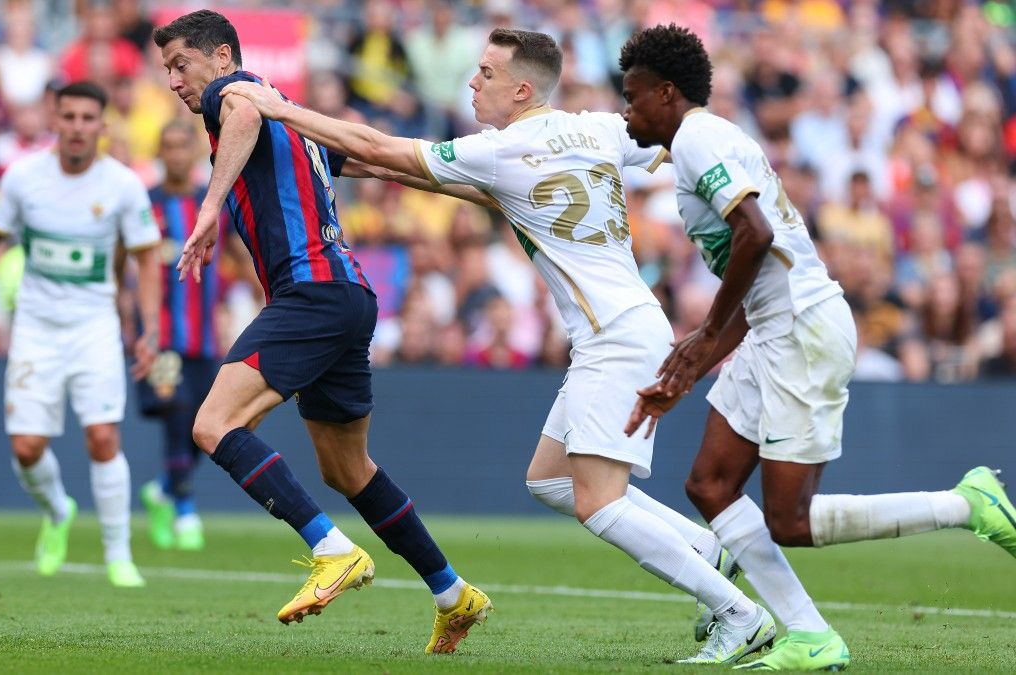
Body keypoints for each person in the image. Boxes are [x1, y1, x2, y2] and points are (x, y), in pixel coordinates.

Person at [222, 28, 777, 665]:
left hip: (615, 336)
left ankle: (740, 614)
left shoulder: (504, 146)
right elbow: (495, 180)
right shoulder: (593, 127)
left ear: (520, 88)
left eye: (485, 73)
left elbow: (386, 146)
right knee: (551, 480)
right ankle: (710, 554)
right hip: (626, 325)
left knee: (599, 500)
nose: (471, 83)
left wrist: (280, 109)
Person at [618, 24, 1016, 671]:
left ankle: (966, 503)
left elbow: (754, 234)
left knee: (789, 520)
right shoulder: (701, 144)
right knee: (711, 484)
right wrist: (701, 356)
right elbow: (760, 265)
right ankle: (808, 634)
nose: (626, 111)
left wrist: (703, 339)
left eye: (632, 97)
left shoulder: (697, 140)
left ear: (666, 93)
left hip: (802, 326)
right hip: (775, 324)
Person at [152, 10, 490, 653]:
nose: (173, 81)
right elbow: (377, 162)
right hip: (349, 296)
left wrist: (207, 211)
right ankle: (452, 592)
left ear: (220, 55)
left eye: (180, 64)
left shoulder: (237, 94)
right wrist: (484, 194)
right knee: (347, 468)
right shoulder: (296, 122)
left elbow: (245, 116)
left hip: (311, 294)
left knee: (212, 426)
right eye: (166, 69)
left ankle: (332, 549)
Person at [0, 81, 162, 588]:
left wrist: (149, 328)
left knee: (103, 436)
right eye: (69, 117)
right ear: (55, 120)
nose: (78, 127)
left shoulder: (123, 185)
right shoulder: (23, 179)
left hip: (95, 327)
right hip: (36, 327)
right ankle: (57, 509)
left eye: (89, 118)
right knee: (26, 447)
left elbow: (147, 256)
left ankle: (118, 555)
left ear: (103, 126)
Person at [137, 120, 219, 552]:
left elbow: (237, 257)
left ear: (193, 152)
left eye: (181, 147)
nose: (175, 154)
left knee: (209, 423)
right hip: (162, 337)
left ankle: (164, 487)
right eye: (166, 146)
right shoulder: (144, 205)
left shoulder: (211, 203)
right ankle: (184, 506)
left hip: (204, 338)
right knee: (175, 409)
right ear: (159, 152)